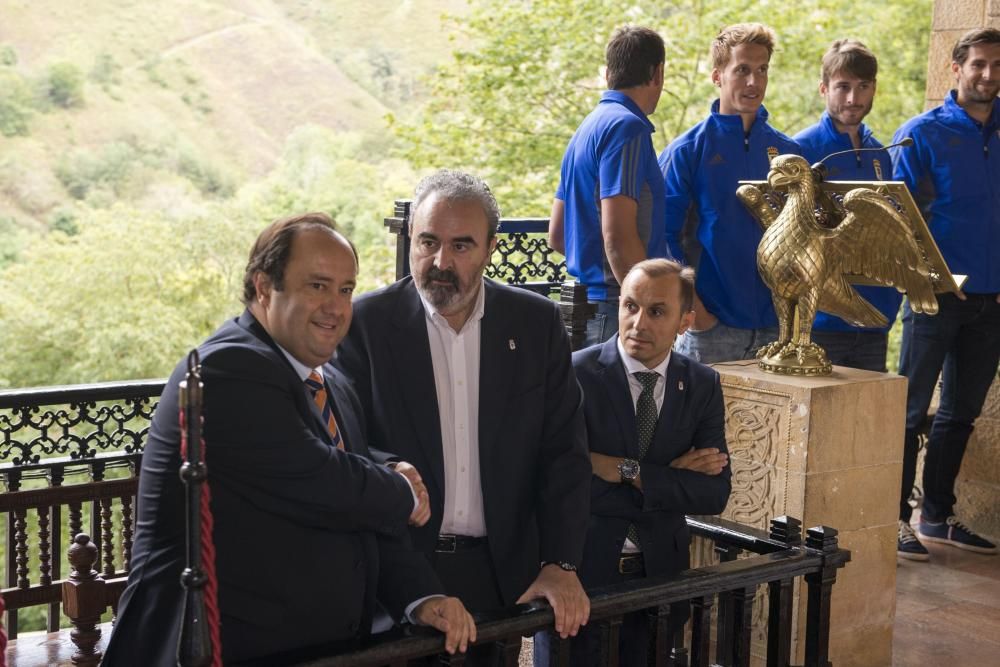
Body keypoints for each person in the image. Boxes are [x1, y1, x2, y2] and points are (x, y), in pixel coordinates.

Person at [104, 213, 475, 666]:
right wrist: (402, 488)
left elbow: (361, 517)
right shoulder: (228, 368)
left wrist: (422, 596)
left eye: (345, 289)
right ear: (263, 287)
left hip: (319, 649)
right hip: (214, 649)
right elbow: (323, 483)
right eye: (317, 286)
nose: (336, 308)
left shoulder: (331, 382)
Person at [335, 170, 592, 664]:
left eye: (461, 246)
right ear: (411, 236)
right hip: (398, 574)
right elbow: (345, 444)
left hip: (499, 577)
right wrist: (391, 469)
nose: (440, 262)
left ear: (491, 247)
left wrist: (561, 562)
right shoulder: (364, 324)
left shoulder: (534, 323)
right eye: (428, 242)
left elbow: (563, 450)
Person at [559, 259, 731, 665]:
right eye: (630, 306)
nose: (638, 323)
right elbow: (566, 482)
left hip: (661, 576)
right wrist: (670, 481)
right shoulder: (575, 374)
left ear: (684, 322)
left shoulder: (703, 384)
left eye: (656, 312)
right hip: (583, 575)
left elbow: (713, 493)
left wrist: (626, 471)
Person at [890, 27, 1000, 561]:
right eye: (978, 64)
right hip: (933, 299)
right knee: (909, 412)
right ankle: (894, 521)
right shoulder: (921, 134)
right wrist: (920, 281)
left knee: (960, 414)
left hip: (993, 302)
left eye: (997, 66)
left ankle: (937, 516)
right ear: (955, 70)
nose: (987, 75)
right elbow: (898, 221)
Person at [659, 23, 800, 364]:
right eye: (742, 70)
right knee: (701, 420)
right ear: (718, 76)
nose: (754, 82)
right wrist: (697, 311)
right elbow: (661, 237)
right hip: (712, 330)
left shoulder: (789, 152)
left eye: (762, 70)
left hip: (777, 331)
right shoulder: (688, 151)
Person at [549, 25, 668, 346]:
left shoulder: (586, 128)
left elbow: (557, 235)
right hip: (616, 312)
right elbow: (618, 237)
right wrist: (650, 309)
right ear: (657, 73)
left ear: (608, 74)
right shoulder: (627, 128)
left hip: (582, 310)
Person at [793, 39, 901, 372]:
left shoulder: (880, 153)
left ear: (874, 90)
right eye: (843, 87)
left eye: (862, 87)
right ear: (824, 88)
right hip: (822, 321)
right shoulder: (800, 148)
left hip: (874, 318)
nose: (853, 98)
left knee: (865, 421)